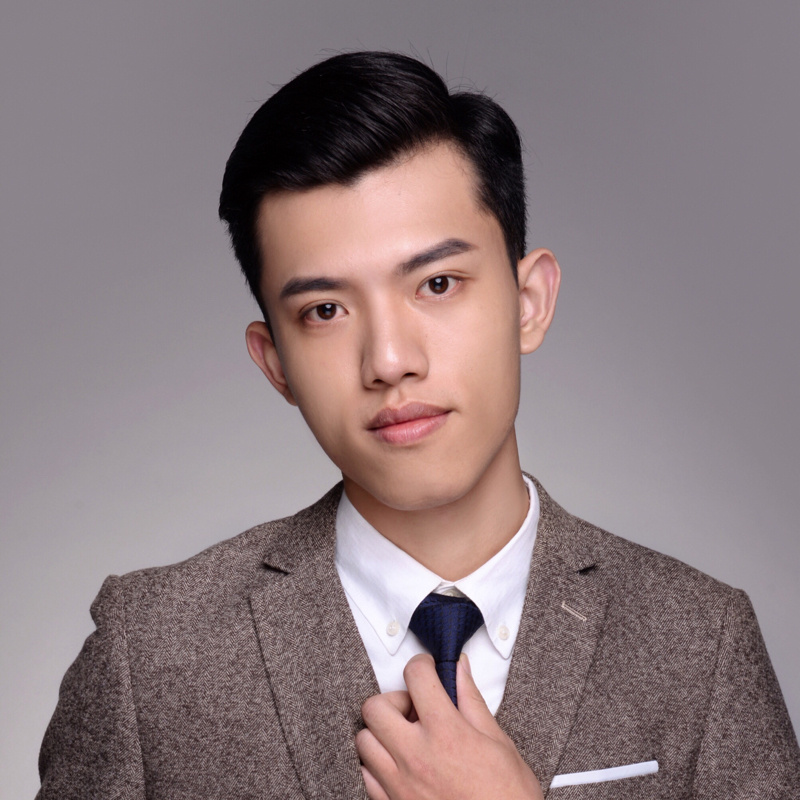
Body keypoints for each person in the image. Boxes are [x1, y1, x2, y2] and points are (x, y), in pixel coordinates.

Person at [37, 51, 799, 799]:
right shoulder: (153, 656)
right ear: (276, 364)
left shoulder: (700, 642)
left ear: (529, 303)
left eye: (437, 284)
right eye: (325, 310)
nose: (390, 360)